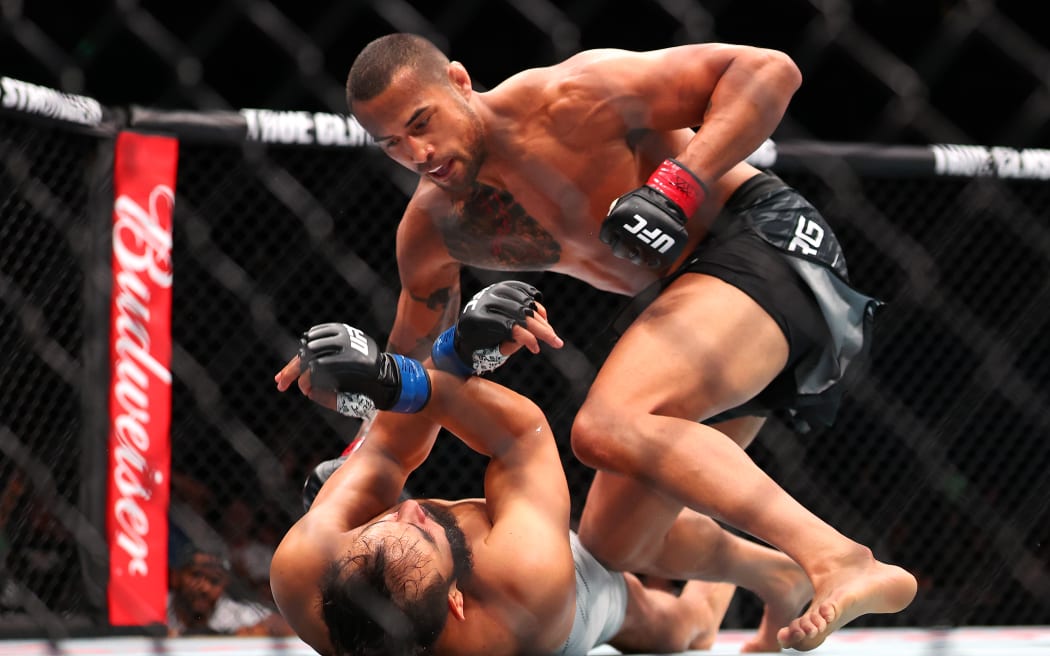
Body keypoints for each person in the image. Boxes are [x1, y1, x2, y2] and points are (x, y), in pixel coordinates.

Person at [271, 283, 813, 655]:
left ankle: (745, 551)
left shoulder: (304, 569)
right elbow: (520, 439)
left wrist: (399, 376)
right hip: (561, 611)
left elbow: (389, 452)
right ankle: (767, 576)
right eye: (423, 532)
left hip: (482, 564)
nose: (409, 509)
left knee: (341, 480)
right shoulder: (525, 586)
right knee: (670, 628)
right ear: (457, 601)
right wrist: (449, 356)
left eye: (382, 524)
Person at [167, 544, 294, 637]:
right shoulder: (161, 604)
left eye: (214, 581)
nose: (204, 588)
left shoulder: (229, 611)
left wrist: (251, 634)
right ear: (176, 576)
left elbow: (284, 627)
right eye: (196, 576)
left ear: (224, 584)